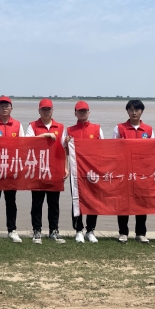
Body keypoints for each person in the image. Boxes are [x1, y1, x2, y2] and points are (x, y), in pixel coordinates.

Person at [26, 99, 68, 244]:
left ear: (52, 110)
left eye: (48, 109)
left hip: (54, 170)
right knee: (37, 203)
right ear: (39, 111)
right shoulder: (32, 126)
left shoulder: (60, 127)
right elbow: (27, 142)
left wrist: (65, 167)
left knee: (54, 203)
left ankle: (53, 231)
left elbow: (64, 149)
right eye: (43, 109)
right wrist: (45, 135)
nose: (46, 111)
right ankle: (37, 231)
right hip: (37, 170)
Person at [112, 99, 154, 245]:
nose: (134, 112)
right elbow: (113, 149)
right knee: (123, 202)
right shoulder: (119, 128)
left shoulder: (148, 130)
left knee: (142, 202)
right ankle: (123, 232)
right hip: (124, 171)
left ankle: (141, 233)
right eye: (131, 110)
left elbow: (153, 149)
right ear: (127, 111)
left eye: (137, 110)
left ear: (142, 111)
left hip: (142, 172)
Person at [0, 95, 24, 245]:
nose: (4, 108)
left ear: (11, 108)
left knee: (11, 201)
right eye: (1, 106)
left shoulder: (17, 125)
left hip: (11, 169)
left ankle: (12, 230)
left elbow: (23, 146)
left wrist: (20, 167)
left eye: (7, 105)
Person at [65, 101, 103, 244]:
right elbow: (65, 151)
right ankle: (78, 230)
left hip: (93, 171)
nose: (82, 113)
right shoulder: (69, 130)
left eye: (84, 111)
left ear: (89, 112)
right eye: (79, 111)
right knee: (77, 200)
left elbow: (104, 149)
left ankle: (90, 230)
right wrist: (66, 143)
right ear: (75, 113)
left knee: (93, 200)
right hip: (76, 171)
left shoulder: (97, 129)